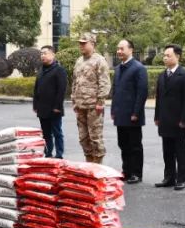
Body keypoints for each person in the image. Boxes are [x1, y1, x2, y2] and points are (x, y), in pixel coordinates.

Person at [153, 45, 185, 190]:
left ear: (177, 57)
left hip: (178, 121)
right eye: (164, 55)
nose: (165, 58)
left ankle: (181, 178)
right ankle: (169, 177)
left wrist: (184, 120)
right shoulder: (162, 75)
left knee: (180, 151)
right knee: (167, 151)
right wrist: (157, 116)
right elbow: (159, 98)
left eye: (168, 55)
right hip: (165, 119)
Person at [111, 39, 148, 184]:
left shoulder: (138, 68)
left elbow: (142, 92)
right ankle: (126, 171)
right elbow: (116, 91)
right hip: (120, 114)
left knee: (135, 145)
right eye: (118, 49)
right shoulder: (118, 68)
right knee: (123, 144)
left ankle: (137, 173)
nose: (119, 51)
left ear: (131, 50)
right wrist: (114, 109)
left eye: (122, 48)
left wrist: (136, 112)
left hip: (133, 115)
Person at [71, 33, 111, 164]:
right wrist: (74, 101)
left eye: (84, 43)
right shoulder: (79, 61)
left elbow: (104, 83)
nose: (81, 45)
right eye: (80, 43)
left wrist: (100, 102)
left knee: (95, 138)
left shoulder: (99, 60)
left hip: (94, 106)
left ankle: (98, 165)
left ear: (92, 44)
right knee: (83, 137)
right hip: (80, 106)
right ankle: (89, 163)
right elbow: (75, 82)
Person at [32, 45, 67, 159]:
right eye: (41, 53)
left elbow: (61, 90)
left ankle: (59, 154)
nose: (42, 55)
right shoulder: (41, 70)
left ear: (52, 55)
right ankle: (48, 153)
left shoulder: (59, 70)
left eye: (45, 53)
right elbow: (37, 88)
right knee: (46, 133)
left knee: (57, 132)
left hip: (54, 108)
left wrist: (58, 106)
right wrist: (35, 104)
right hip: (42, 108)